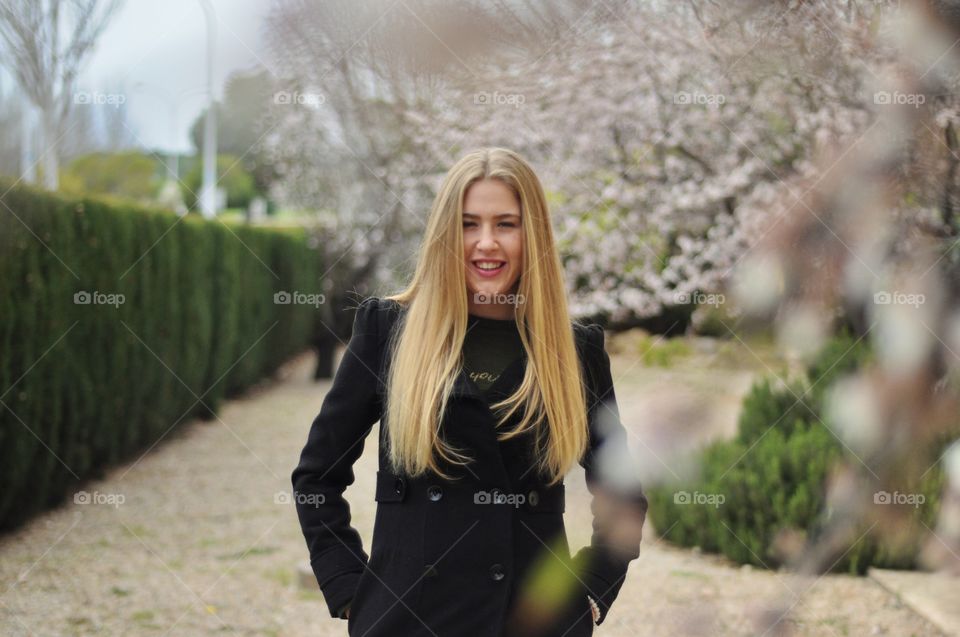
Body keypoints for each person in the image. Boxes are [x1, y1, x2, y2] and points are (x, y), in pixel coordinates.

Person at [291, 147, 648, 637]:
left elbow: (622, 493)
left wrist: (590, 594)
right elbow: (316, 479)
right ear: (443, 235)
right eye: (467, 224)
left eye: (506, 224)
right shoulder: (387, 331)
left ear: (533, 235)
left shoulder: (574, 350)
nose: (486, 243)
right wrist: (354, 592)